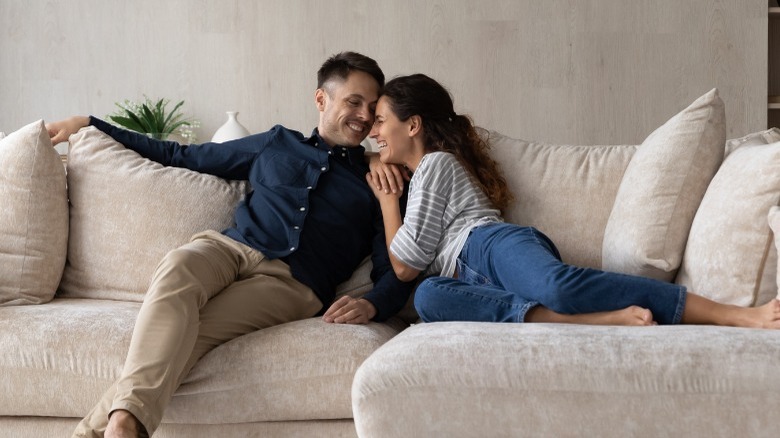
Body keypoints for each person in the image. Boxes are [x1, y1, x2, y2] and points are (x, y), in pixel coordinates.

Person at [47, 52, 415, 438]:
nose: (363, 115)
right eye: (353, 102)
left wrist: (374, 302)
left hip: (292, 284)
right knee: (178, 266)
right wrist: (91, 124)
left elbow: (395, 265)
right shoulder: (277, 143)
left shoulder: (380, 182)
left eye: (373, 109)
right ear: (322, 99)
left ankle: (113, 426)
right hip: (230, 249)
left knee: (192, 333)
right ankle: (124, 426)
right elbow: (181, 156)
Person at [366, 73, 780, 330]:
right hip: (467, 276)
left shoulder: (436, 164)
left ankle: (735, 314)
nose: (375, 131)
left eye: (381, 120)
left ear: (413, 124)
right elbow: (411, 273)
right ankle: (584, 322)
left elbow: (404, 265)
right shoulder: (419, 177)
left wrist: (388, 201)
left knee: (555, 286)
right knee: (427, 298)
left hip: (491, 246)